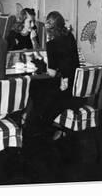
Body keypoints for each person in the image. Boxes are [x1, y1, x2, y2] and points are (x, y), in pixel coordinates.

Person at [25, 11, 81, 140]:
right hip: (76, 88)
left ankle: (37, 128)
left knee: (36, 90)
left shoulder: (51, 44)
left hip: (65, 92)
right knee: (41, 92)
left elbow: (52, 73)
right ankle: (44, 126)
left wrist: (41, 63)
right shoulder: (70, 36)